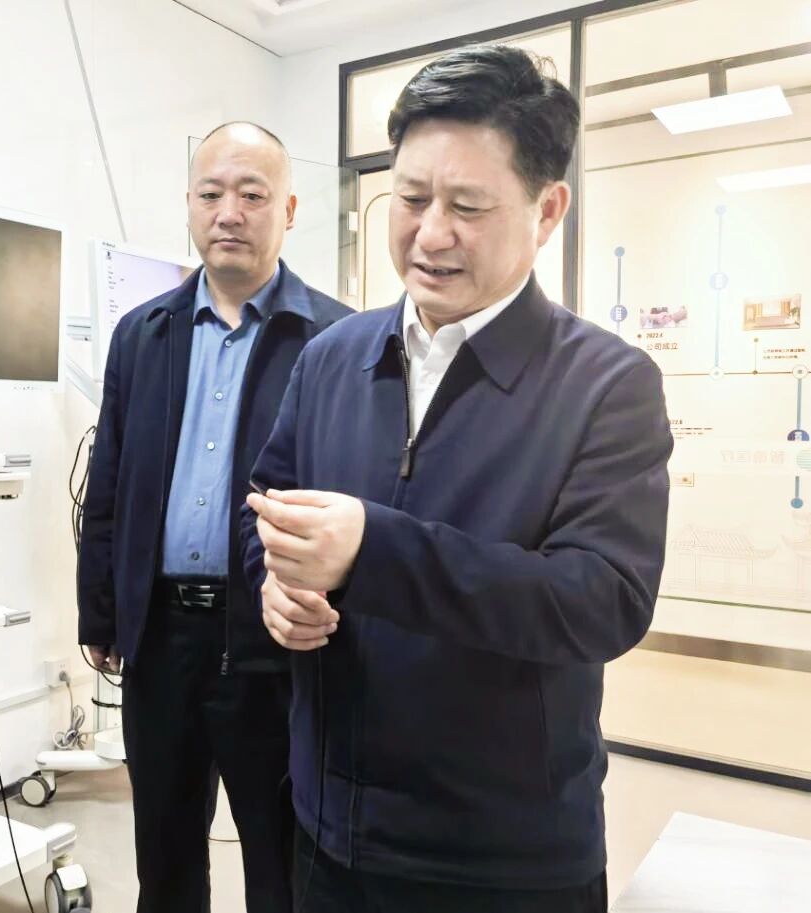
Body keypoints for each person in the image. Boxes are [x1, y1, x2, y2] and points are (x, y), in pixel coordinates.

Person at [242, 46, 673, 913]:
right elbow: (267, 512)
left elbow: (602, 600)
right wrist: (274, 589)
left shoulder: (605, 384)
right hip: (330, 828)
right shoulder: (330, 358)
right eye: (410, 199)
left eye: (467, 206)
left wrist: (372, 550)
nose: (430, 234)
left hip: (504, 856)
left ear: (546, 211)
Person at [77, 121, 353, 912]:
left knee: (279, 858)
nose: (228, 212)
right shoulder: (142, 333)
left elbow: (353, 499)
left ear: (288, 210)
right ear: (190, 205)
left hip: (270, 643)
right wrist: (102, 609)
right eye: (210, 194)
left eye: (252, 194)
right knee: (163, 857)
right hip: (160, 639)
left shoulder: (334, 338)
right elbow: (110, 480)